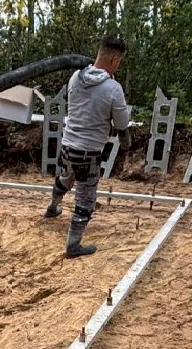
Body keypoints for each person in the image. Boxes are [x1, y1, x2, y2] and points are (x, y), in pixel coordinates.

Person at [44, 35, 130, 257]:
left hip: (68, 145)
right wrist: (125, 141)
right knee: (86, 197)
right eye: (118, 61)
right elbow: (121, 124)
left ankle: (52, 208)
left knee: (65, 177)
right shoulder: (113, 89)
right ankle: (73, 245)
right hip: (89, 152)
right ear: (114, 60)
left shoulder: (75, 77)